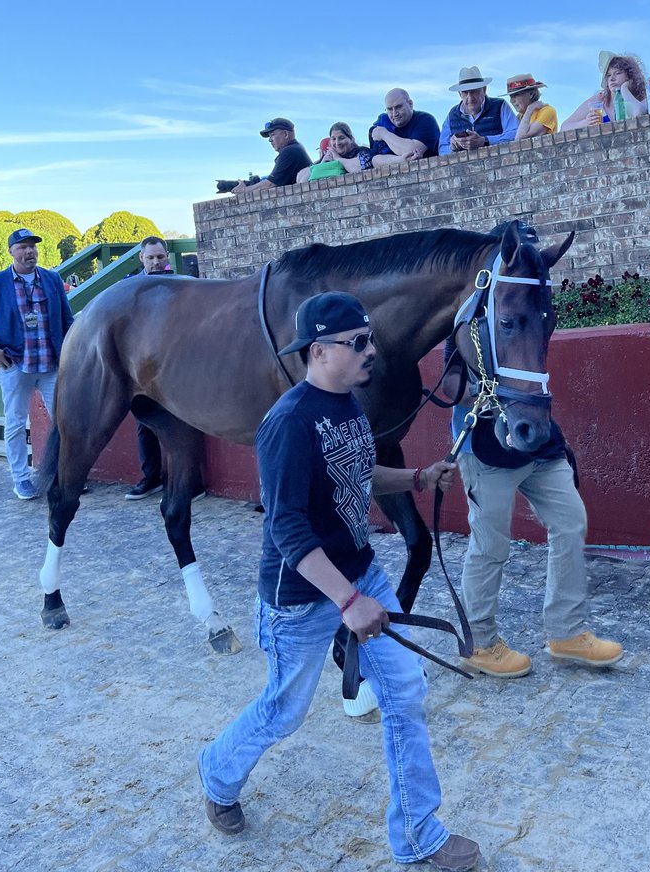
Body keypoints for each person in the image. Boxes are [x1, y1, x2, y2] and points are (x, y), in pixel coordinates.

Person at [198, 292, 479, 871]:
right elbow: (288, 530)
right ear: (319, 350)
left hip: (358, 573)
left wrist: (418, 478)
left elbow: (356, 469)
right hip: (300, 600)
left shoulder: (347, 403)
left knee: (404, 690)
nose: (371, 350)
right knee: (285, 711)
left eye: (369, 338)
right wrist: (349, 602)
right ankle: (217, 773)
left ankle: (417, 835)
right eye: (358, 342)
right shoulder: (288, 424)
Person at [442, 341, 623, 679]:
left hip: (539, 443)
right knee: (490, 545)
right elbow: (450, 384)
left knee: (570, 522)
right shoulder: (469, 314)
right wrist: (496, 393)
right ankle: (479, 644)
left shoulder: (527, 310)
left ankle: (566, 632)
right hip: (484, 451)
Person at [0, 228, 74, 499]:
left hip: (51, 365)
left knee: (63, 421)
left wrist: (72, 353)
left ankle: (62, 476)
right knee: (16, 424)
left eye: (33, 246)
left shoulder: (52, 279)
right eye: (23, 247)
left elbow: (67, 320)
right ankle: (21, 479)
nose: (29, 251)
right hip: (15, 365)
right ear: (11, 252)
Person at [123, 237, 206, 503]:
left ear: (167, 256)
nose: (157, 262)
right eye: (151, 258)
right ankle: (151, 478)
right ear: (141, 258)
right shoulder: (129, 287)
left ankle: (193, 484)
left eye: (160, 257)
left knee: (184, 422)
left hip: (178, 365)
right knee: (144, 422)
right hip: (144, 365)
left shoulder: (182, 283)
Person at [216, 118, 312, 194]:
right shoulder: (296, 148)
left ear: (286, 134)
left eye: (273, 135)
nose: (270, 140)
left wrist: (244, 190)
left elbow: (270, 184)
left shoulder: (289, 151)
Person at [438, 67, 519, 155]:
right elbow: (442, 149)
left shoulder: (499, 105)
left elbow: (515, 134)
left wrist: (485, 141)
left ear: (484, 90)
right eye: (465, 92)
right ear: (460, 94)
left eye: (474, 91)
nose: (470, 98)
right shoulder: (452, 114)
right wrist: (453, 147)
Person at [560, 51, 648, 129]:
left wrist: (624, 89)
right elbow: (564, 127)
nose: (612, 79)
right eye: (608, 75)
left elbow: (638, 113)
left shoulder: (641, 98)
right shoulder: (599, 101)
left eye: (617, 73)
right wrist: (586, 122)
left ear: (630, 76)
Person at [369, 88, 440, 167]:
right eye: (389, 109)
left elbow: (412, 151)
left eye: (398, 107)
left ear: (410, 104)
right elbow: (375, 160)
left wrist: (384, 134)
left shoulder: (425, 120)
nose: (394, 113)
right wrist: (400, 160)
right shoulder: (383, 123)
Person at [296, 122, 374, 183]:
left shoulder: (362, 151)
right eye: (333, 139)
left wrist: (338, 159)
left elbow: (361, 169)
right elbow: (301, 179)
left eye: (341, 138)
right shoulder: (327, 157)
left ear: (351, 139)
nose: (337, 143)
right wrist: (322, 164)